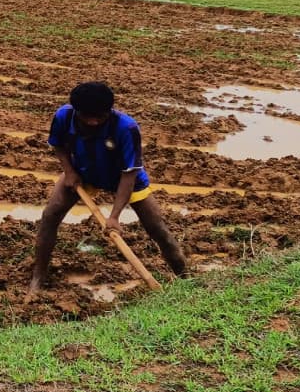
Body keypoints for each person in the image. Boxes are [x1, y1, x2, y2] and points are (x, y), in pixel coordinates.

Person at [29, 81, 187, 292]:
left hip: (124, 177)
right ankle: (38, 277)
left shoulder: (126, 128)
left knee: (158, 229)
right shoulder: (63, 117)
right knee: (50, 216)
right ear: (77, 111)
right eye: (87, 117)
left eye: (100, 117)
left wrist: (114, 217)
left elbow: (129, 174)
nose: (93, 122)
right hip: (83, 171)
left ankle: (185, 278)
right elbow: (58, 144)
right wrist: (69, 171)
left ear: (109, 111)